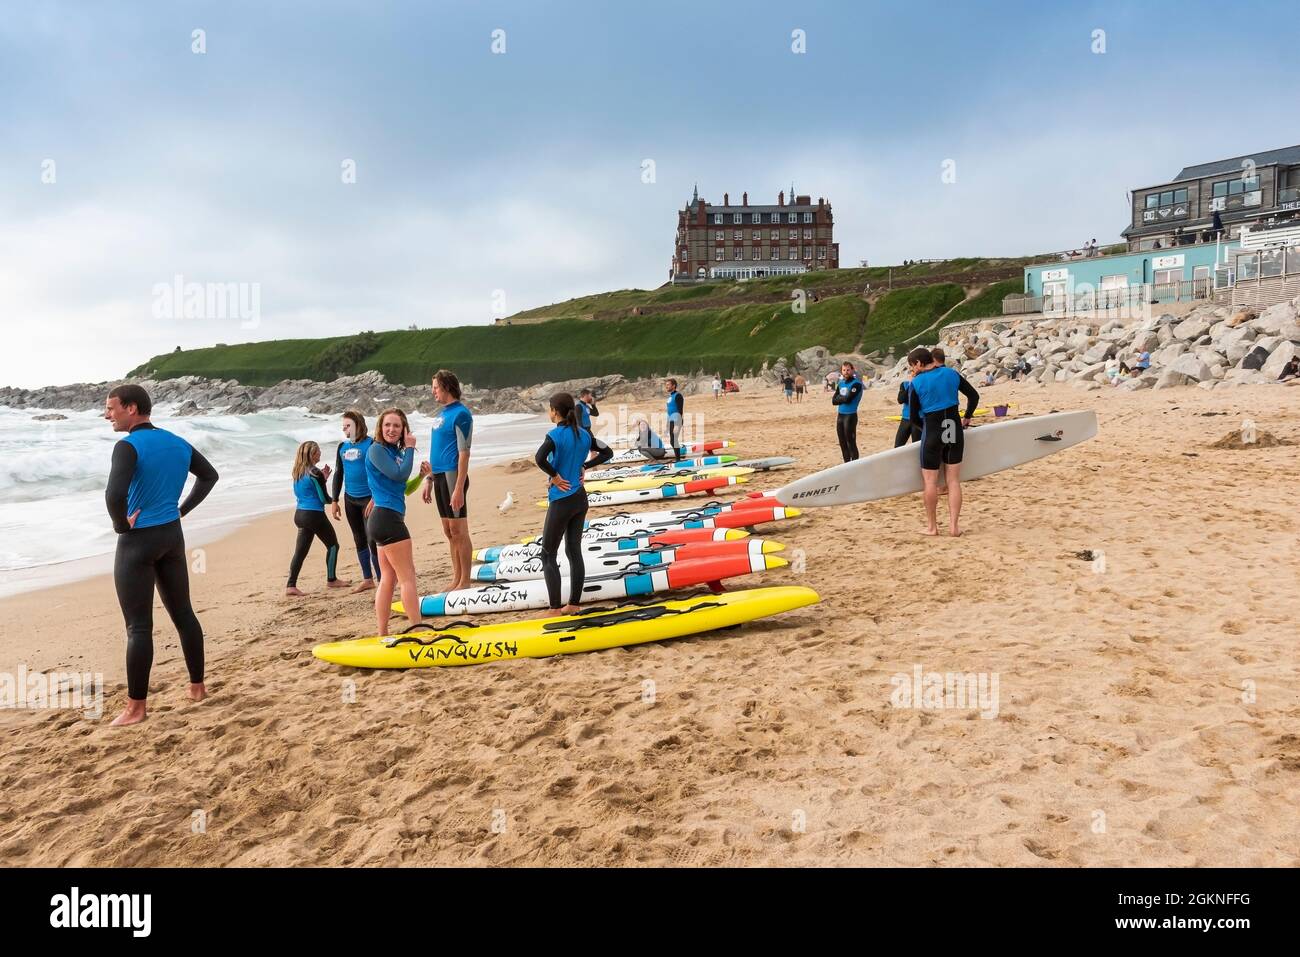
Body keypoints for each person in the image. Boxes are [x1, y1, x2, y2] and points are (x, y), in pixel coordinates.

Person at [103, 384, 219, 726]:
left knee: (138, 627)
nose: (107, 415)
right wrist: (181, 510)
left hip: (138, 543)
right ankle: (197, 687)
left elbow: (114, 495)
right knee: (184, 614)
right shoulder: (177, 442)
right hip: (171, 536)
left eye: (112, 408)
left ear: (132, 408)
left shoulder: (127, 446)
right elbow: (209, 476)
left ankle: (136, 709)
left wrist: (121, 526)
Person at [533, 392, 614, 614]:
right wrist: (585, 466)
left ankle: (554, 608)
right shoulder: (584, 434)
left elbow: (539, 459)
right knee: (573, 551)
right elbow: (607, 452)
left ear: (555, 411)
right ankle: (573, 604)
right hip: (580, 499)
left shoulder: (554, 436)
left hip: (561, 501)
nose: (548, 413)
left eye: (549, 409)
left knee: (548, 554)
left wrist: (555, 477)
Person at [906, 347, 978, 537]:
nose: (913, 370)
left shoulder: (916, 382)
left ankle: (932, 527)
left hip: (932, 433)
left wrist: (928, 430)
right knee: (953, 481)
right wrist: (967, 417)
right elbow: (974, 396)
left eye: (913, 366)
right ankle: (954, 527)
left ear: (919, 363)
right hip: (954, 430)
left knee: (930, 482)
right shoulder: (951, 374)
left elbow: (912, 418)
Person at [366, 408, 423, 636]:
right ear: (380, 427)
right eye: (387, 425)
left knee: (388, 577)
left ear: (403, 430)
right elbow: (399, 475)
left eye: (396, 426)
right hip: (386, 519)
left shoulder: (392, 453)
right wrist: (410, 448)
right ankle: (419, 630)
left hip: (384, 519)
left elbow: (404, 488)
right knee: (407, 577)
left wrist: (421, 476)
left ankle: (382, 633)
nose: (391, 429)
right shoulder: (377, 450)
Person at [421, 369, 474, 593]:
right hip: (440, 476)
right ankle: (456, 578)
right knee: (448, 530)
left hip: (454, 477)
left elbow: (464, 453)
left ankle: (465, 581)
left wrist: (459, 488)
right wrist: (429, 478)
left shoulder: (461, 414)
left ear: (447, 387)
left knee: (459, 530)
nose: (433, 391)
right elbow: (438, 449)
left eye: (435, 387)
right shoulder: (441, 414)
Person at [285, 441, 349, 596]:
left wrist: (324, 478)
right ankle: (332, 580)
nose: (320, 453)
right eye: (318, 451)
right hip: (314, 515)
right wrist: (335, 500)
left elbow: (308, 491)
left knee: (300, 552)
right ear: (312, 454)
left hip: (300, 514)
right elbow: (323, 498)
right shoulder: (315, 472)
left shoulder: (297, 471)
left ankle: (291, 585)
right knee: (333, 546)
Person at [331, 410, 379, 592]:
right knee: (359, 539)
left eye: (348, 426)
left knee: (372, 539)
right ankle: (368, 579)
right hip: (350, 499)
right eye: (343, 427)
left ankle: (382, 579)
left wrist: (376, 496)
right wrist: (334, 500)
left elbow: (378, 473)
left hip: (369, 498)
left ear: (358, 425)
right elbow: (338, 473)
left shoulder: (372, 444)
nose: (345, 430)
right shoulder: (341, 447)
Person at [831, 361, 864, 462]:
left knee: (850, 441)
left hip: (850, 416)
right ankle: (846, 463)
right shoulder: (840, 384)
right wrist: (843, 398)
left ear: (852, 370)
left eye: (848, 370)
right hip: (840, 416)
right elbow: (833, 401)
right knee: (842, 442)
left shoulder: (857, 384)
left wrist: (841, 398)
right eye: (844, 370)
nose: (846, 372)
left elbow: (848, 399)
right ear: (841, 371)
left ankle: (855, 464)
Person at [664, 378, 685, 461]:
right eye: (666, 385)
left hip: (677, 420)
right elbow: (670, 411)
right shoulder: (670, 397)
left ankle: (678, 460)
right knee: (672, 441)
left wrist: (677, 424)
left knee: (673, 441)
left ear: (674, 386)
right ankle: (678, 459)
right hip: (671, 421)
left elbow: (680, 410)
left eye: (668, 385)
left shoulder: (678, 396)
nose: (666, 386)